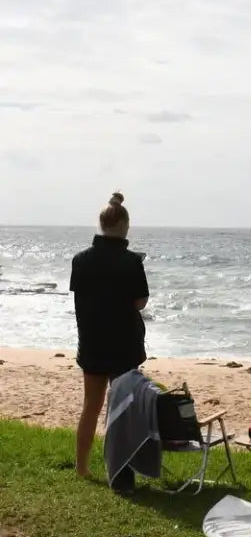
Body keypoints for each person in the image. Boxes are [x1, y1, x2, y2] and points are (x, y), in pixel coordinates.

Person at [70, 191, 149, 486]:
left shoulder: (81, 260)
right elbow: (140, 302)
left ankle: (81, 466)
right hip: (124, 344)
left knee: (91, 405)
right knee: (123, 408)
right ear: (124, 225)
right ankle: (120, 469)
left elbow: (82, 298)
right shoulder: (131, 262)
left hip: (91, 341)